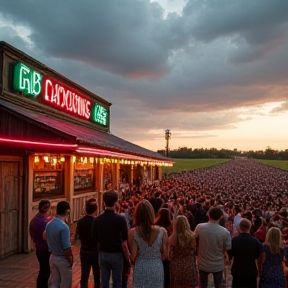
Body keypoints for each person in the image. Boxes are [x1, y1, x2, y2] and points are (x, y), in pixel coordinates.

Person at [92, 190, 130, 288]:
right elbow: (124, 241)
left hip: (103, 253)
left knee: (104, 281)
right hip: (117, 253)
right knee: (117, 282)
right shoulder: (120, 219)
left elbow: (94, 237)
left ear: (104, 202)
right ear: (116, 202)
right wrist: (127, 256)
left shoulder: (97, 219)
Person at [128, 200, 168, 288]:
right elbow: (165, 255)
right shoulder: (162, 232)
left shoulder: (133, 232)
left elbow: (133, 256)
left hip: (141, 266)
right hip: (156, 265)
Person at [194, 207, 231, 288]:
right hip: (218, 264)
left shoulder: (200, 227)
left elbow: (194, 238)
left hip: (203, 262)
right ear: (221, 217)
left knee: (203, 285)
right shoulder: (225, 232)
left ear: (209, 215)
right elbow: (228, 247)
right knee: (218, 285)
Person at [44, 201, 73, 288]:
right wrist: (70, 259)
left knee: (54, 282)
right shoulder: (64, 227)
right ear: (67, 211)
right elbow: (67, 247)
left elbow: (44, 236)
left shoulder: (49, 224)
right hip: (62, 258)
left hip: (52, 256)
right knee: (65, 284)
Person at [228, 218, 263, 288]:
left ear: (240, 227)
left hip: (237, 271)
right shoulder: (256, 242)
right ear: (250, 227)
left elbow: (230, 255)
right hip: (251, 271)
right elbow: (258, 256)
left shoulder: (234, 241)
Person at [76, 198, 100, 288]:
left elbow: (77, 237)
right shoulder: (97, 221)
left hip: (84, 250)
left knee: (84, 274)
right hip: (95, 250)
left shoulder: (81, 221)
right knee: (96, 273)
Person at [169, 215, 198, 288]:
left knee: (177, 284)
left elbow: (169, 249)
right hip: (189, 263)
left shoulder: (173, 237)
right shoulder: (192, 236)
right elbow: (194, 249)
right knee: (188, 285)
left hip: (176, 263)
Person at [29, 199, 53, 288]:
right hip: (44, 249)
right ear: (48, 209)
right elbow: (46, 237)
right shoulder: (44, 223)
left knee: (44, 270)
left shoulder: (35, 219)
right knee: (45, 271)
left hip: (39, 248)